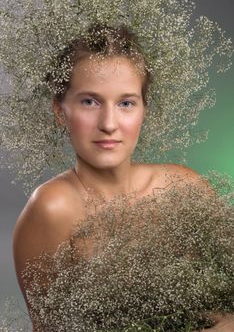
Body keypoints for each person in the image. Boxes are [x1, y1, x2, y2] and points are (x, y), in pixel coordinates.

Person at [12, 24, 234, 332]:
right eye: (90, 101)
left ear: (144, 109)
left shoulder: (185, 188)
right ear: (60, 111)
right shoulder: (52, 210)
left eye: (126, 103)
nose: (109, 124)